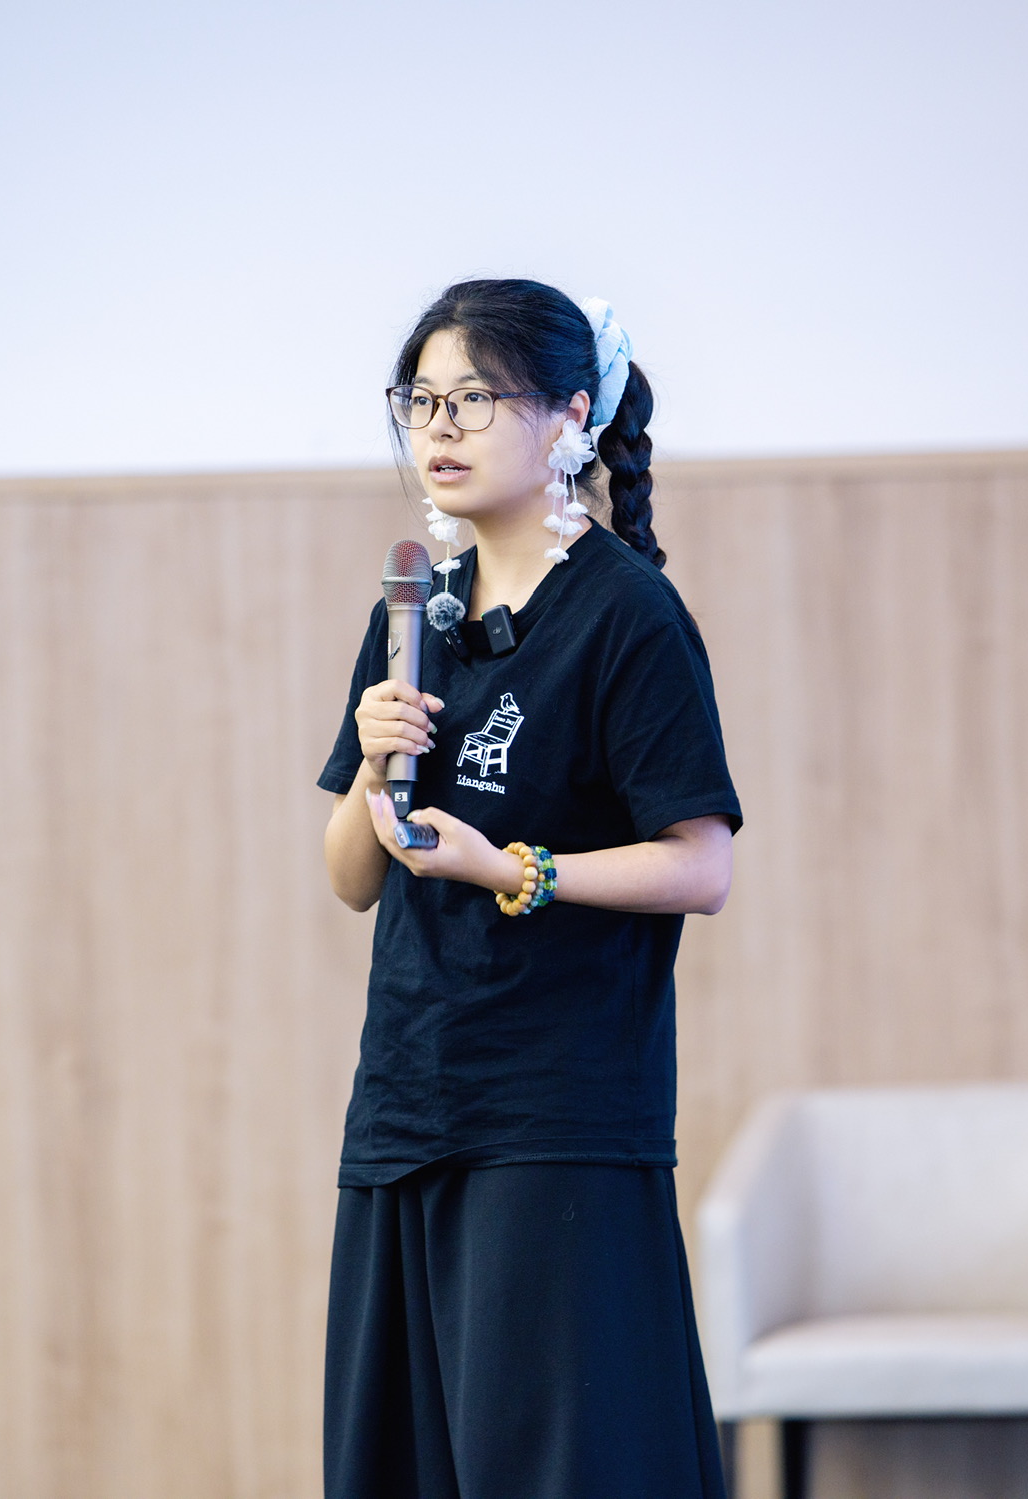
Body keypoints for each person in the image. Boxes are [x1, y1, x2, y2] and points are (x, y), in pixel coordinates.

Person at [316, 278, 742, 1499]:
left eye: (475, 398)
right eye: (420, 400)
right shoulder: (416, 610)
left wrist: (510, 867)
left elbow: (700, 862)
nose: (438, 428)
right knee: (402, 1463)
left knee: (560, 1466)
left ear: (568, 417)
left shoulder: (627, 612)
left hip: (555, 1118)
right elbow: (350, 877)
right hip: (406, 1106)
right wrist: (373, 764)